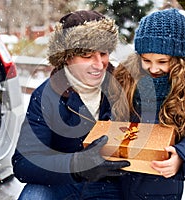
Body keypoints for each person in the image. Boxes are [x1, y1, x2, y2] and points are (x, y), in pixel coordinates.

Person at [12, 10, 130, 200]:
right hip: (63, 181)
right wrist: (77, 166)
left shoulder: (124, 87)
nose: (99, 65)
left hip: (110, 184)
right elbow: (24, 163)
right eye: (87, 56)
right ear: (67, 57)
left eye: (103, 53)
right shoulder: (46, 96)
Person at [109, 8, 185, 199]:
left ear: (178, 59)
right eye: (146, 60)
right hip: (118, 177)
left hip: (160, 185)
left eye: (162, 61)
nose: (153, 68)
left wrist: (182, 156)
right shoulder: (126, 80)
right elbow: (110, 116)